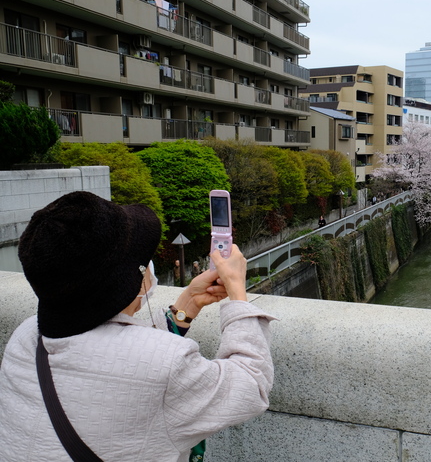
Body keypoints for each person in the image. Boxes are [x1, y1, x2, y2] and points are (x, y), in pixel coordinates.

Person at [0, 191, 275, 461]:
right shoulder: (166, 364)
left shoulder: (26, 337)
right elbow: (250, 385)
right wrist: (238, 292)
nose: (148, 267)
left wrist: (189, 303)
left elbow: (126, 357)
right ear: (127, 280)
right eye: (144, 263)